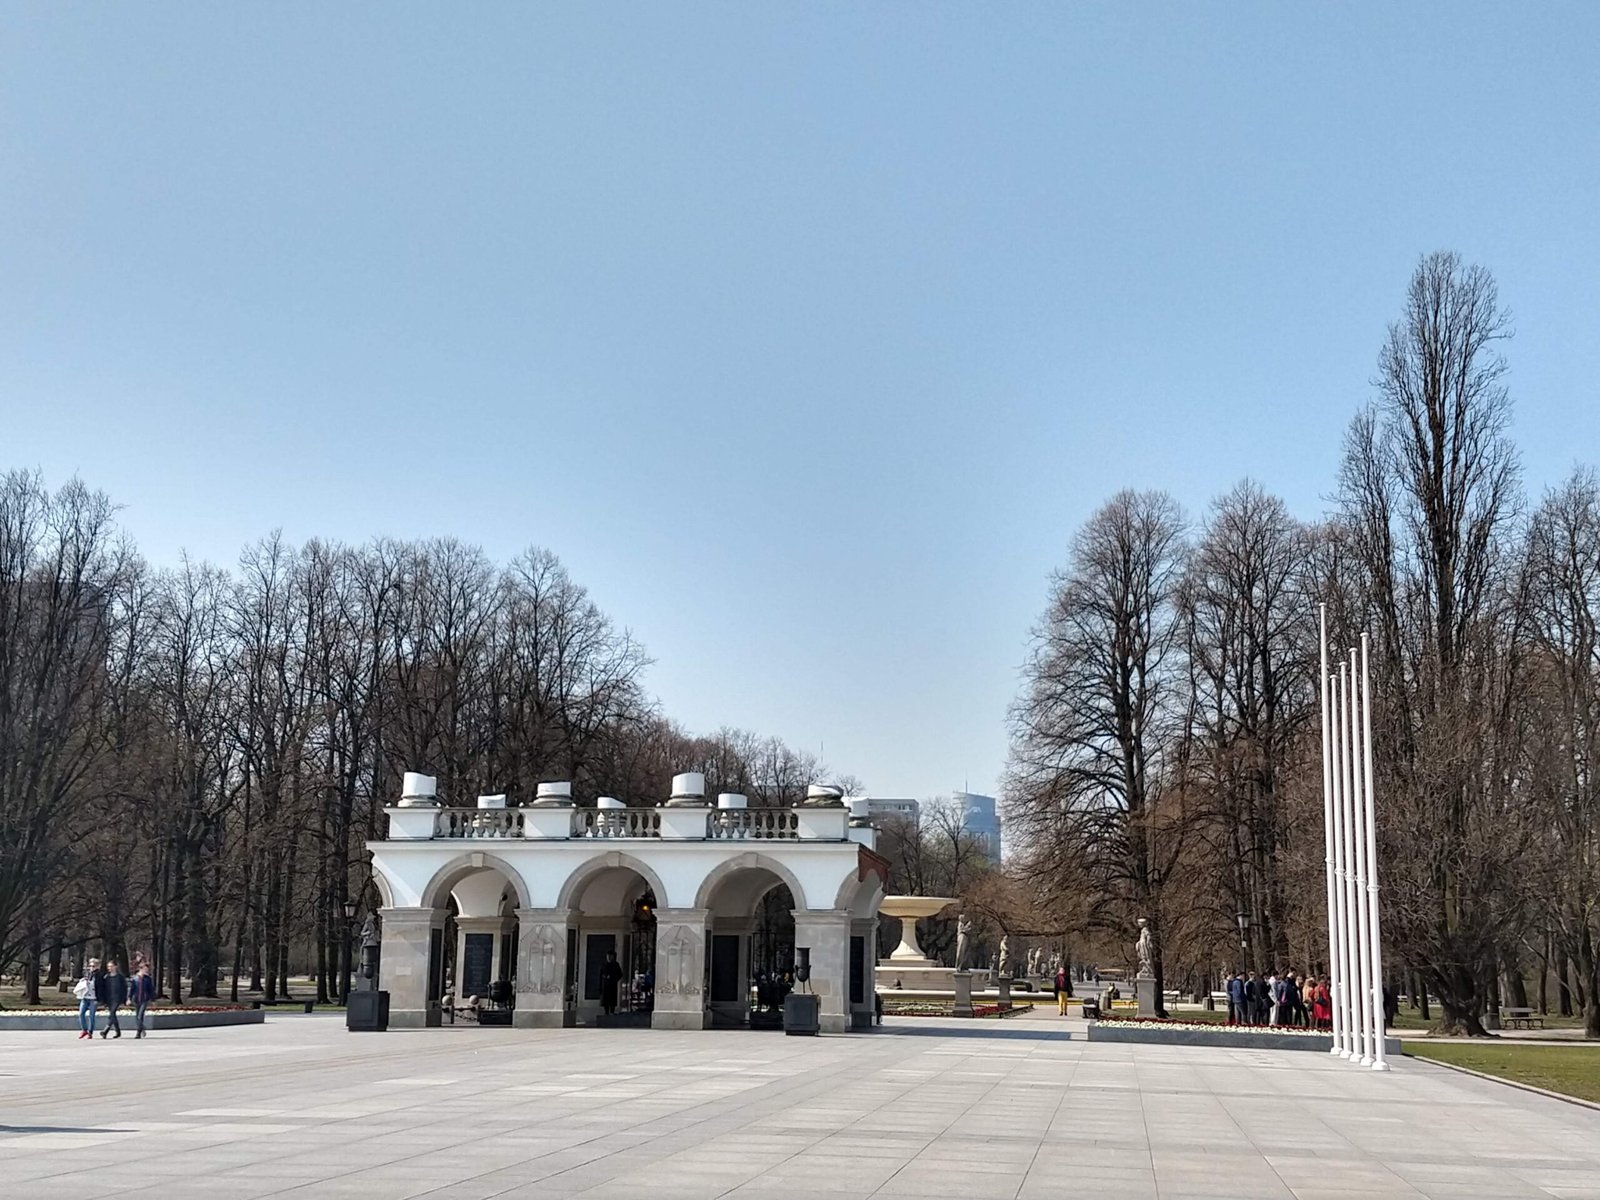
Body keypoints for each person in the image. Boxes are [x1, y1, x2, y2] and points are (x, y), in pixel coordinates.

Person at [97, 959, 127, 1038]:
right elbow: (103, 989)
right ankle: (118, 1031)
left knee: (112, 1014)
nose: (109, 968)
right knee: (113, 1015)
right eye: (108, 966)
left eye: (111, 966)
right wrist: (103, 1000)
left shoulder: (120, 977)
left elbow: (124, 988)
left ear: (115, 967)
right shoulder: (106, 977)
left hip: (117, 999)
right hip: (109, 999)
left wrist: (125, 999)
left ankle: (105, 1030)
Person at [74, 958, 100, 1039]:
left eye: (93, 966)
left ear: (97, 966)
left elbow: (101, 988)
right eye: (90, 966)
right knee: (81, 1014)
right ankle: (84, 1030)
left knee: (91, 1016)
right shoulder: (88, 974)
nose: (91, 968)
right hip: (85, 997)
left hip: (93, 998)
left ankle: (90, 1032)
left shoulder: (99, 976)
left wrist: (98, 999)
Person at [130, 962, 156, 1038]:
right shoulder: (135, 979)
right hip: (136, 999)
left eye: (147, 969)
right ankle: (142, 1028)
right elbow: (132, 989)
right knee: (137, 1016)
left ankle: (138, 1033)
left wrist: (152, 1000)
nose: (146, 971)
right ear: (140, 969)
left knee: (140, 1015)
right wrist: (129, 998)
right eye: (145, 969)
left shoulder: (147, 979)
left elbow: (151, 990)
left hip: (144, 999)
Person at [599, 951, 623, 1016]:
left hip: (612, 985)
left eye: (610, 956)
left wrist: (614, 979)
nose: (609, 958)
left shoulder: (616, 965)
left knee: (612, 999)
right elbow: (600, 975)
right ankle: (606, 1011)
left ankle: (612, 1011)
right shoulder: (603, 964)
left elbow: (620, 974)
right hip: (605, 984)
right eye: (608, 956)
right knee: (605, 999)